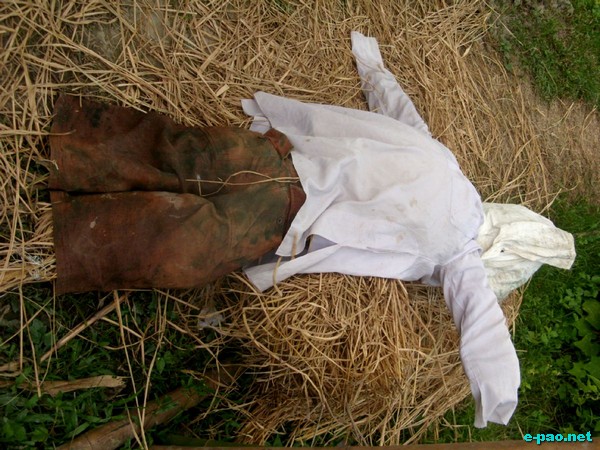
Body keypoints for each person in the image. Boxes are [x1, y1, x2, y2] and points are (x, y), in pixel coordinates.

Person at [48, 32, 574, 429]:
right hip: (290, 211)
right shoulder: (459, 253)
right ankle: (65, 237)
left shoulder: (449, 165)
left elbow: (401, 114)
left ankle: (69, 146)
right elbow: (480, 316)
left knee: (186, 157)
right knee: (182, 240)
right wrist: (498, 388)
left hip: (288, 163)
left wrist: (374, 68)